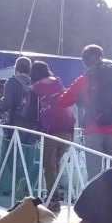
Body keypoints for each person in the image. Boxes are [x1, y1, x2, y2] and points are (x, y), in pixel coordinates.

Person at [55, 44, 112, 177]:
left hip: (93, 129)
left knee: (94, 173)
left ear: (85, 62)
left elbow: (63, 102)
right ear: (101, 58)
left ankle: (96, 190)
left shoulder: (84, 80)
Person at [31, 60, 75, 190]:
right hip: (68, 129)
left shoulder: (37, 87)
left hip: (51, 129)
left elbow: (32, 108)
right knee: (56, 163)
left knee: (48, 165)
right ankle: (55, 193)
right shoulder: (58, 83)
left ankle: (52, 196)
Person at [0, 56, 34, 129]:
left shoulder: (12, 82)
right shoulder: (33, 82)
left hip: (14, 121)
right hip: (30, 123)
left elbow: (7, 104)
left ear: (16, 68)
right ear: (29, 69)